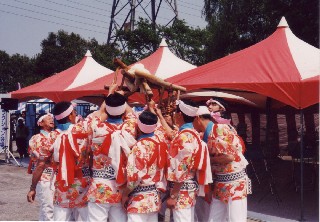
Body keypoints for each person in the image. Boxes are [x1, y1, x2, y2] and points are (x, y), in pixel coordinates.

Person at [86, 85, 137, 222]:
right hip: (121, 185)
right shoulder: (130, 128)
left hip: (99, 184)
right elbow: (131, 113)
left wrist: (110, 94)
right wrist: (121, 97)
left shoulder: (96, 127)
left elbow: (99, 113)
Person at [194, 105, 250, 222]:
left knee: (236, 219)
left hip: (234, 183)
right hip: (220, 183)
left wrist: (207, 160)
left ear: (198, 119)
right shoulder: (209, 134)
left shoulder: (219, 129)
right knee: (214, 219)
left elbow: (229, 157)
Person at [51, 101, 102, 221]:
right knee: (86, 217)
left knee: (60, 216)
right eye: (74, 112)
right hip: (81, 180)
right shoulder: (81, 129)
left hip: (62, 181)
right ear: (70, 116)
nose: (75, 114)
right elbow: (100, 114)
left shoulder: (52, 136)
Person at [166, 100, 212, 222]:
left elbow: (182, 168)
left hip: (181, 188)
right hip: (188, 186)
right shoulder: (193, 134)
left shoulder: (184, 137)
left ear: (179, 115)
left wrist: (174, 195)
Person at [122, 110, 167, 222]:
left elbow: (134, 177)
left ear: (139, 125)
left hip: (139, 199)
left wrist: (125, 194)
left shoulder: (139, 147)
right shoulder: (161, 141)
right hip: (154, 196)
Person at [26, 113, 56, 221]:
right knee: (48, 208)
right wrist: (32, 187)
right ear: (41, 123)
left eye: (52, 118)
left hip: (56, 176)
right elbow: (41, 161)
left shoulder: (56, 135)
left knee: (51, 208)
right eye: (48, 118)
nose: (51, 119)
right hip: (44, 176)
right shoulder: (35, 139)